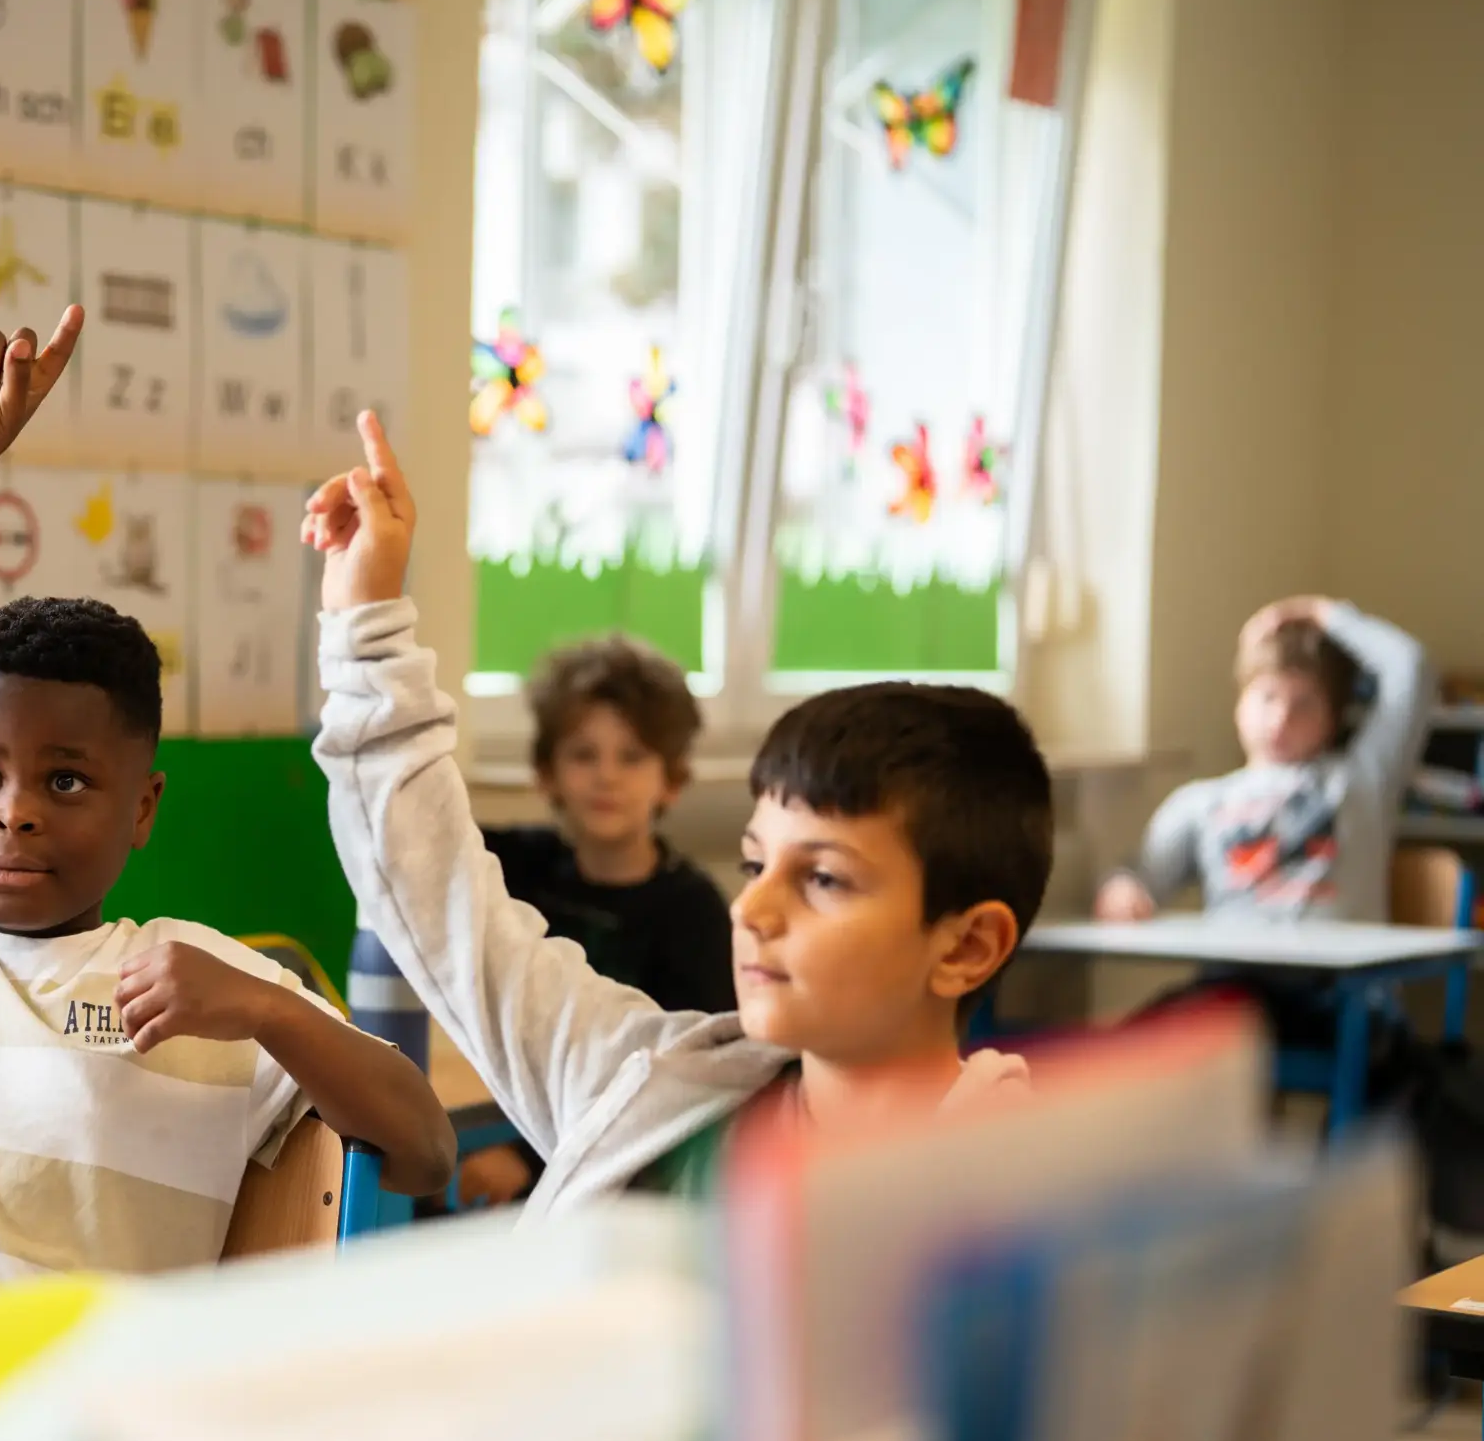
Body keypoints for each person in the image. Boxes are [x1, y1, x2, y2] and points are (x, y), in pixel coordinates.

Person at [0, 312, 454, 1322]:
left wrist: (266, 1009)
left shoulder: (196, 987)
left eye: (68, 781)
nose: (16, 815)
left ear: (145, 807)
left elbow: (426, 1146)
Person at [304, 415, 1049, 1208]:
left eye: (825, 879)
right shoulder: (657, 1094)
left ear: (968, 946)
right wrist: (366, 626)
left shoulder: (1018, 1211)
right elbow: (444, 903)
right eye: (757, 863)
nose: (754, 908)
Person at [462, 636, 733, 1207]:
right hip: (513, 1109)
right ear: (547, 774)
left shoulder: (695, 913)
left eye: (632, 757)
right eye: (583, 755)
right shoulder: (518, 868)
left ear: (672, 781)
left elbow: (686, 1082)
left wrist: (523, 1157)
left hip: (625, 1171)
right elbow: (434, 851)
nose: (606, 776)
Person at [1096, 596, 1432, 925]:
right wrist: (1122, 890)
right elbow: (1141, 874)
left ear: (1332, 718)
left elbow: (1410, 667)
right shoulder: (1199, 803)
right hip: (1237, 974)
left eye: (1303, 705)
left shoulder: (1363, 779)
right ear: (1240, 704)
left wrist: (1319, 613)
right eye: (1268, 697)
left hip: (1342, 978)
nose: (1281, 719)